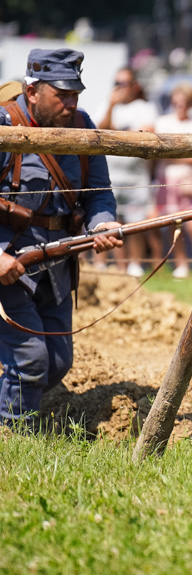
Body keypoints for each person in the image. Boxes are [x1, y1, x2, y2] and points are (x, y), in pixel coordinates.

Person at [0, 48, 123, 427]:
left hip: (57, 263)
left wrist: (102, 225)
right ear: (32, 90)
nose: (71, 103)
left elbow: (99, 191)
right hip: (10, 260)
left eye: (75, 95)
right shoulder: (4, 124)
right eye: (62, 95)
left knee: (57, 359)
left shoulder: (83, 127)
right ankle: (15, 436)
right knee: (31, 357)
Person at [98, 67, 159, 277]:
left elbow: (146, 133)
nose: (119, 88)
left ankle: (135, 264)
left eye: (123, 83)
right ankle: (116, 266)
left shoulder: (145, 107)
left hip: (136, 177)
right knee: (112, 221)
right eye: (116, 83)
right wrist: (110, 107)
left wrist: (114, 133)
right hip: (110, 176)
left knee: (136, 223)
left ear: (134, 86)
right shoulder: (106, 106)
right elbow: (98, 132)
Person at [154, 82, 192, 278]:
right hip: (168, 180)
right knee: (173, 222)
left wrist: (173, 156)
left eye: (185, 101)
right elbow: (158, 153)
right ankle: (181, 264)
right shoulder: (162, 122)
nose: (180, 104)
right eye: (177, 100)